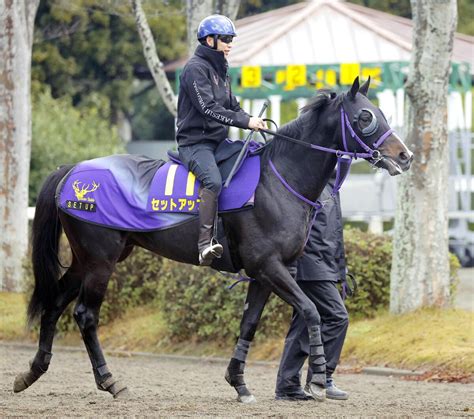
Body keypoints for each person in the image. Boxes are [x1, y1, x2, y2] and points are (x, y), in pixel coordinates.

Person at [176, 14, 266, 266]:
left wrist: (252, 119)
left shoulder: (221, 70)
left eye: (231, 39)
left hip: (218, 144)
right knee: (213, 181)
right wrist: (243, 122)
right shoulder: (194, 69)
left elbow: (233, 106)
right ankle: (205, 243)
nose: (230, 44)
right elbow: (207, 107)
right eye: (225, 39)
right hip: (194, 145)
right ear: (209, 40)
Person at [275, 173, 350, 401]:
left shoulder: (330, 185)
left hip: (323, 266)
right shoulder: (311, 181)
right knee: (337, 317)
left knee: (302, 324)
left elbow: (333, 234)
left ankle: (287, 386)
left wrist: (339, 269)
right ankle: (322, 377)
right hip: (310, 266)